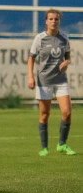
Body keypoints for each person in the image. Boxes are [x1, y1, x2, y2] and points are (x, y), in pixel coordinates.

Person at [28, 9, 76, 157]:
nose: (53, 21)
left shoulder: (64, 38)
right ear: (46, 21)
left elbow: (68, 57)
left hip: (60, 80)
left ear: (59, 21)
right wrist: (30, 76)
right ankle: (44, 148)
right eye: (51, 19)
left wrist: (67, 62)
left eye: (56, 19)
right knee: (44, 114)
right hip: (44, 81)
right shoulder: (39, 39)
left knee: (67, 113)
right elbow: (31, 58)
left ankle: (62, 144)